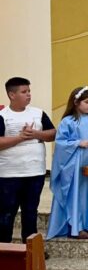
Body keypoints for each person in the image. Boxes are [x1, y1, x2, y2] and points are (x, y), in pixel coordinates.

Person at [0, 77, 56, 243]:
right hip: (9, 174)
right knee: (6, 212)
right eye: (24, 92)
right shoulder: (2, 115)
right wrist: (20, 138)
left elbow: (53, 133)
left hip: (35, 172)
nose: (29, 95)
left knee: (31, 211)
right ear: (12, 95)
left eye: (29, 91)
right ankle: (5, 249)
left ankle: (31, 249)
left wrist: (36, 134)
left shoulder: (38, 113)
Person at [47, 87, 88, 239]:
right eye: (86, 102)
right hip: (74, 163)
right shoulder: (68, 121)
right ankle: (77, 226)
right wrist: (78, 143)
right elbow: (61, 142)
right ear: (76, 102)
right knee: (77, 194)